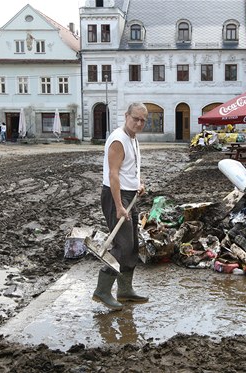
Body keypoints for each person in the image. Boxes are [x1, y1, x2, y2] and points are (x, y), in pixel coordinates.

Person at [93, 102, 148, 311]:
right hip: (115, 196)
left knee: (132, 246)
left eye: (143, 120)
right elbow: (113, 174)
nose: (139, 123)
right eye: (135, 118)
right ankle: (102, 290)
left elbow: (129, 169)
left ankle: (125, 290)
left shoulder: (132, 139)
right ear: (126, 116)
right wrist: (118, 206)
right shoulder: (118, 140)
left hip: (129, 195)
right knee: (122, 245)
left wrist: (138, 184)